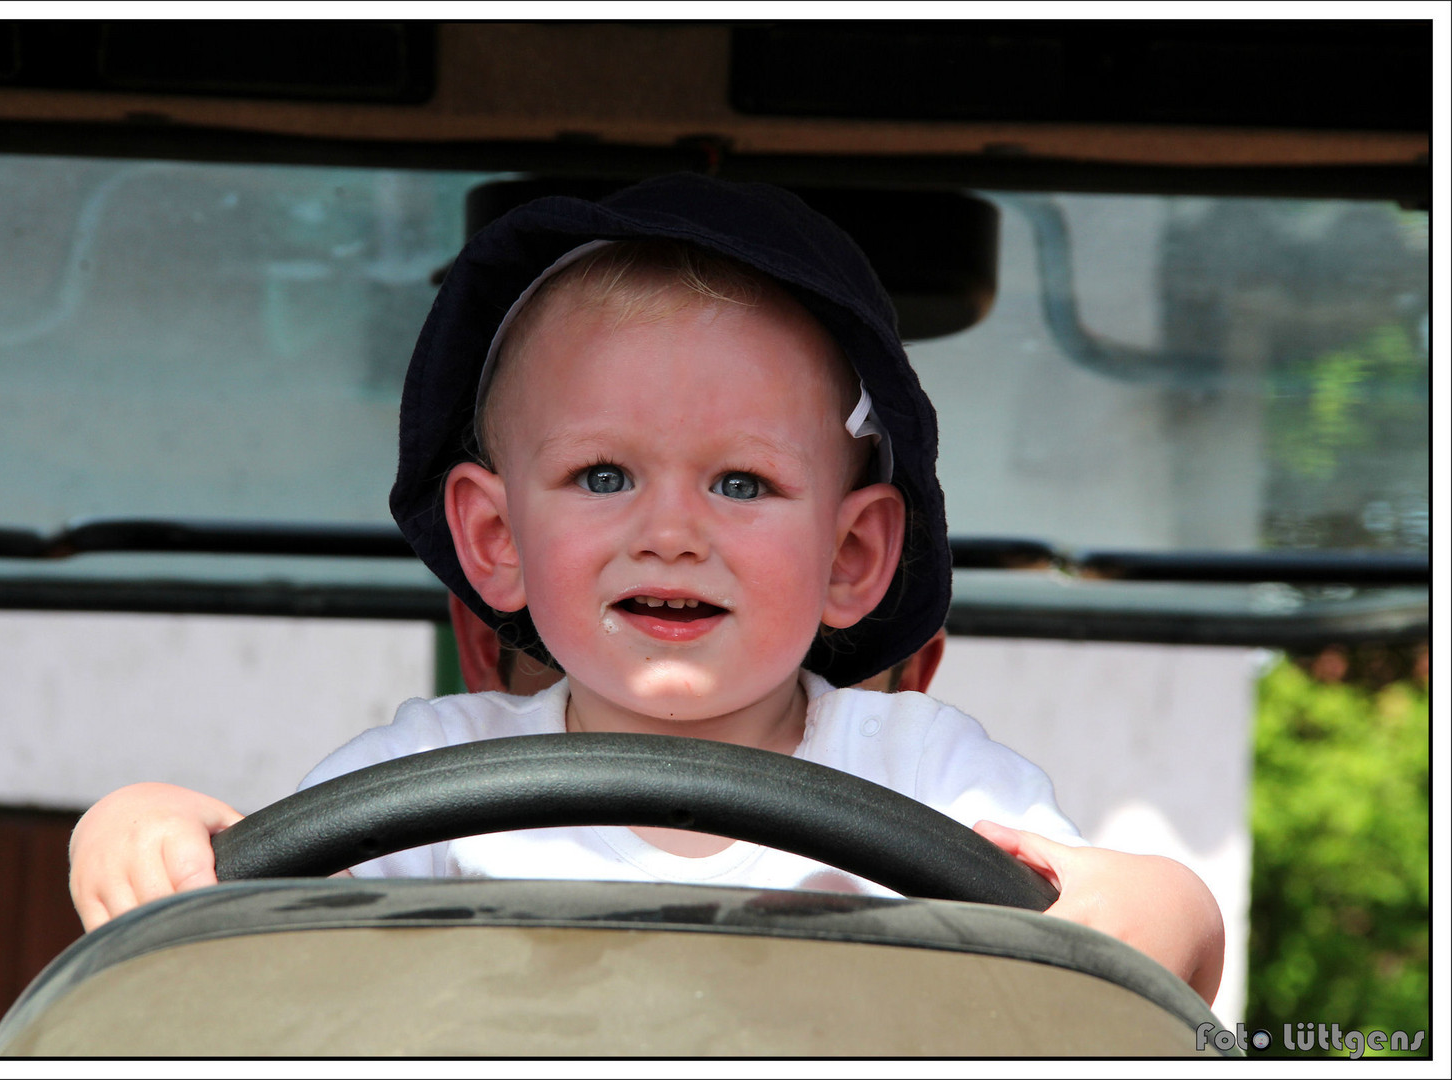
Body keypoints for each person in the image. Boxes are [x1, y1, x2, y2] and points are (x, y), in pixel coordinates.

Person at [69, 175, 1224, 1003]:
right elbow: (242, 954)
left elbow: (1122, 947)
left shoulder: (920, 772)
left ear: (849, 557)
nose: (670, 531)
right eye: (603, 474)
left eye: (741, 480)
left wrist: (1170, 911)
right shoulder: (422, 781)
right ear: (494, 535)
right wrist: (149, 832)